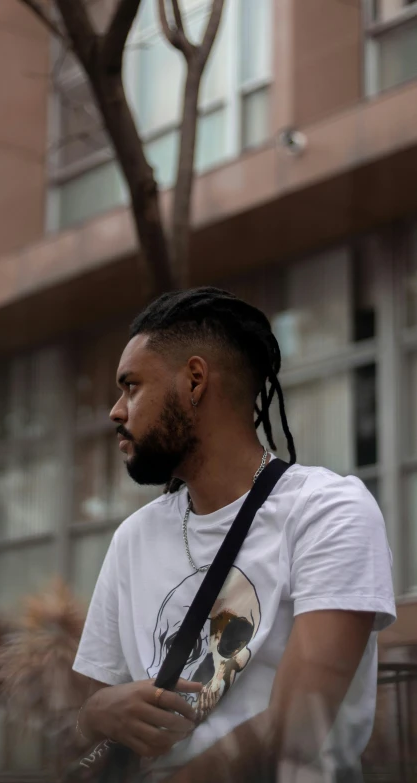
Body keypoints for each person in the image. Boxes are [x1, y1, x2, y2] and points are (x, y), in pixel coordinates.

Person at [72, 287, 395, 782]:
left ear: (195, 380)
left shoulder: (327, 511)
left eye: (131, 386)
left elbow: (294, 728)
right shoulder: (133, 538)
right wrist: (96, 714)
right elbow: (86, 717)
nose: (116, 411)